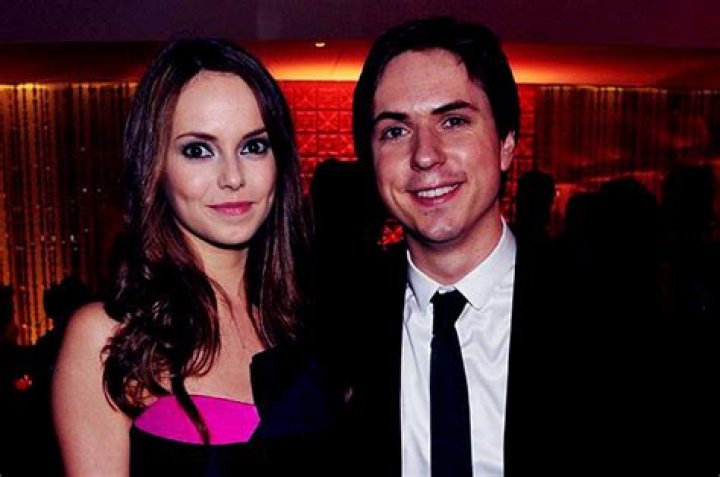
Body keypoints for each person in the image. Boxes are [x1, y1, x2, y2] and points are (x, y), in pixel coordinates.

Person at [324, 16, 709, 475]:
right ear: (370, 160)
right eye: (395, 131)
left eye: (453, 121)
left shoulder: (612, 312)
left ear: (506, 143)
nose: (425, 154)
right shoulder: (332, 321)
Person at [53, 38, 341, 476]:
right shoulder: (108, 338)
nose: (233, 177)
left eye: (253, 146)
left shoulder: (315, 321)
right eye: (198, 150)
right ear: (155, 167)